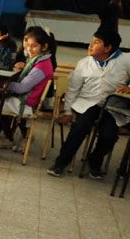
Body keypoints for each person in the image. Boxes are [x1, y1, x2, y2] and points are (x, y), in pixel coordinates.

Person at [47, 29, 130, 178]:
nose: (90, 45)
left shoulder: (125, 60)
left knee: (109, 135)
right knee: (80, 127)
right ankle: (60, 163)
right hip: (88, 104)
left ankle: (95, 161)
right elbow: (73, 89)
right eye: (91, 41)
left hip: (113, 107)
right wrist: (67, 111)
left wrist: (129, 88)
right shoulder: (84, 63)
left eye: (96, 42)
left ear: (108, 48)